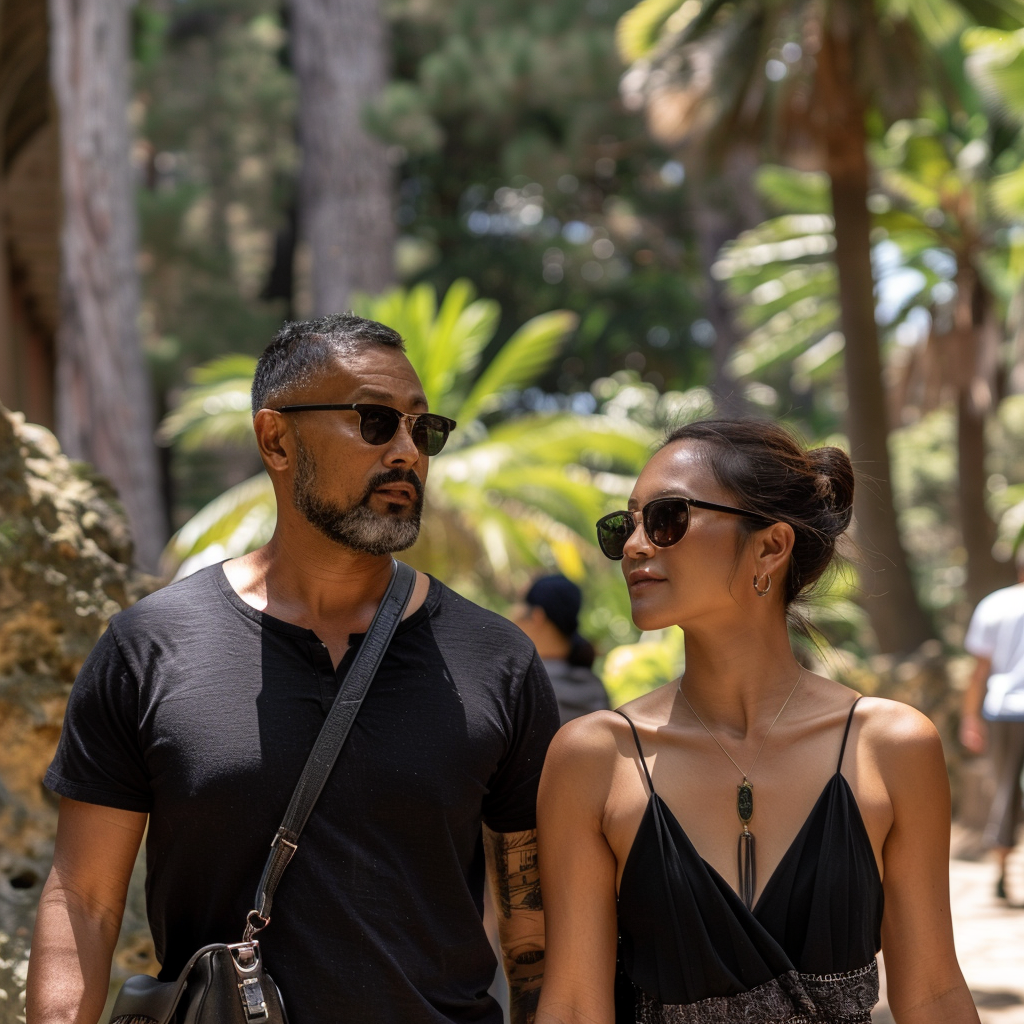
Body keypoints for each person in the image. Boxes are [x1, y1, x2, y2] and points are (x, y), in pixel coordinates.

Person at [27, 314, 560, 1024]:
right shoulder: (149, 647)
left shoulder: (497, 659)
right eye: (375, 421)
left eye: (421, 429)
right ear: (276, 439)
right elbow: (84, 900)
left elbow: (535, 931)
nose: (407, 452)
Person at [535, 419, 979, 1024]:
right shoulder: (593, 758)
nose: (636, 545)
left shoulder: (892, 746)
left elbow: (932, 994)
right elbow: (574, 1006)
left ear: (770, 546)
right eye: (626, 525)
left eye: (666, 518)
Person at [960, 551, 1024, 901]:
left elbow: (980, 670)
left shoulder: (994, 605)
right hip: (1007, 710)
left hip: (1003, 711)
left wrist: (971, 718)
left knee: (1005, 791)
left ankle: (1001, 871)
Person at [512, 574, 610, 724]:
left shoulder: (526, 688)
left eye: (520, 605)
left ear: (537, 616)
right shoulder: (594, 686)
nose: (512, 614)